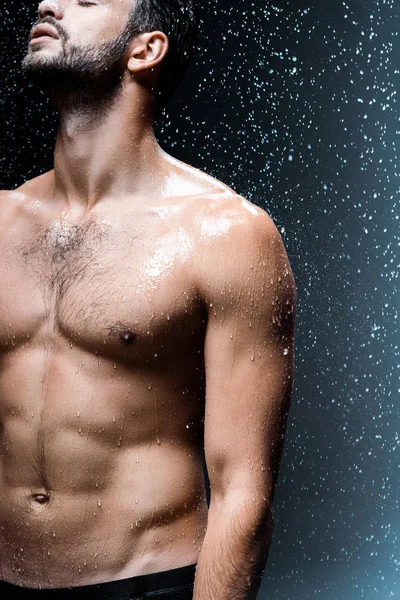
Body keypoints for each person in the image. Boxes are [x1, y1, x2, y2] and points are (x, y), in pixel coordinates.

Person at [0, 0, 296, 598]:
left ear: (145, 50)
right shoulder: (1, 222)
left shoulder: (227, 236)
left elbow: (243, 493)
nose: (47, 4)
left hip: (142, 582)